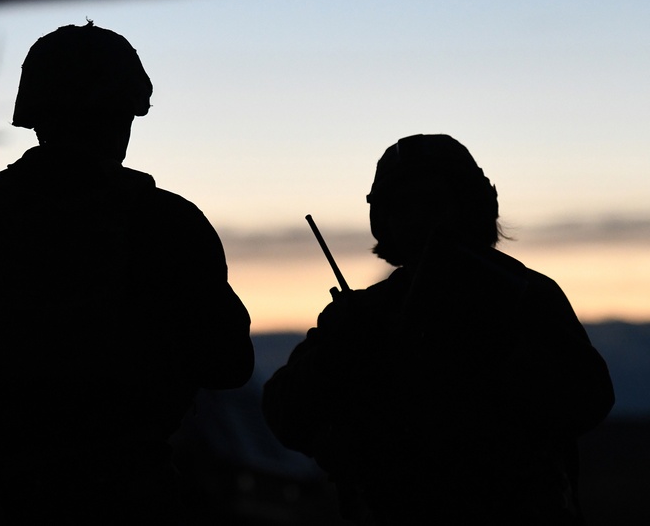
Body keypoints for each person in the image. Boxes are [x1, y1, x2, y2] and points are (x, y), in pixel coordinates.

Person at [0, 21, 254, 525]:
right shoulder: (170, 225)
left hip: (8, 498)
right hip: (133, 498)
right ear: (126, 114)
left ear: (36, 116)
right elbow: (228, 363)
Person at [262, 134, 614, 525]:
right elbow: (284, 415)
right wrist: (336, 360)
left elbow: (588, 398)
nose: (418, 219)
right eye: (403, 207)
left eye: (434, 203)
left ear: (471, 209)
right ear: (384, 222)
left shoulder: (521, 297)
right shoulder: (363, 314)